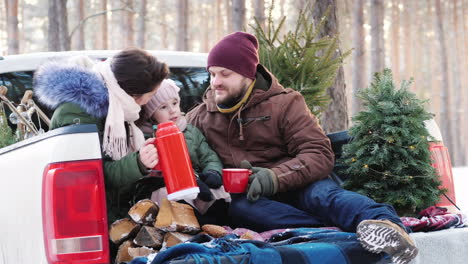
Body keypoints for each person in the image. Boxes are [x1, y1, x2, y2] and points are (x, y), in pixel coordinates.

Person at [186, 32, 418, 264]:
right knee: (241, 210)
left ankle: (389, 229)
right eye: (212, 73)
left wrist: (275, 177)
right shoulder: (200, 117)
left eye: (225, 74)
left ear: (248, 74)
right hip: (253, 198)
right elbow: (185, 155)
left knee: (325, 196)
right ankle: (335, 233)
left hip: (301, 184)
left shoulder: (286, 103)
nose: (215, 81)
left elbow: (319, 153)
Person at [34, 48, 168, 225]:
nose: (149, 101)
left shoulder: (120, 110)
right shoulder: (79, 113)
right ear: (133, 95)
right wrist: (138, 162)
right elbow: (90, 175)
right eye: (151, 95)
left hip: (114, 213)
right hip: (89, 219)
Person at [137, 79, 230, 225]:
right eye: (163, 107)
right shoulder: (148, 137)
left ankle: (216, 224)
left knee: (219, 191)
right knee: (169, 196)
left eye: (175, 103)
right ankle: (190, 225)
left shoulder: (190, 131)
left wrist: (213, 171)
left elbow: (209, 156)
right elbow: (152, 172)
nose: (172, 110)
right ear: (151, 114)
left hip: (199, 183)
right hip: (167, 186)